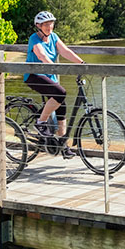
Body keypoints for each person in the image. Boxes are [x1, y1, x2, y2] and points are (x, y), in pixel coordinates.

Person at [24, 11, 85, 159]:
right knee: (60, 93)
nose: (49, 26)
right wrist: (54, 68)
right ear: (38, 26)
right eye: (45, 24)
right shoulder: (34, 39)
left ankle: (63, 145)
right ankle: (40, 122)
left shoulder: (54, 37)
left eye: (51, 23)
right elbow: (41, 55)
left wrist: (82, 63)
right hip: (34, 76)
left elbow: (65, 51)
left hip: (50, 76)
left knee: (61, 105)